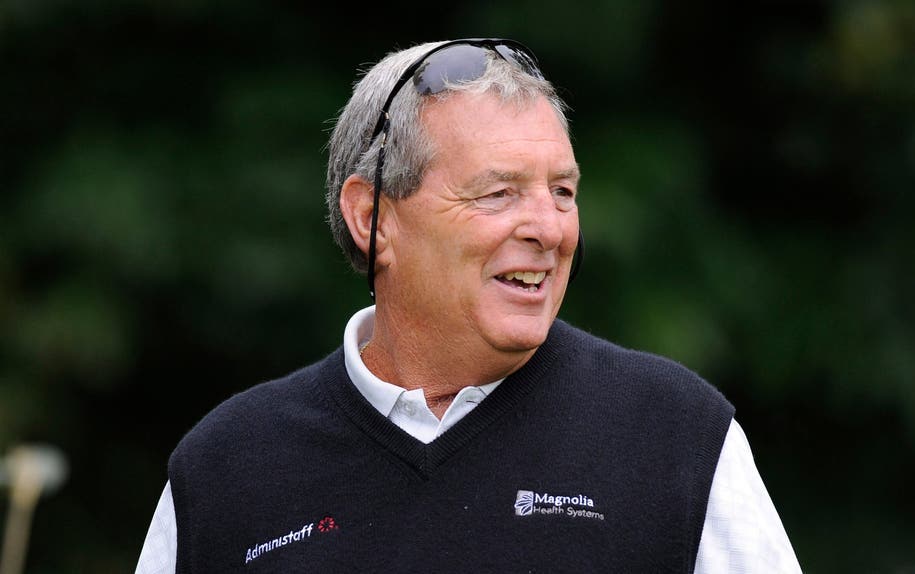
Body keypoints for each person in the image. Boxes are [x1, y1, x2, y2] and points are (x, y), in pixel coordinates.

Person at [136, 38, 801, 573]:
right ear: (375, 219)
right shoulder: (225, 471)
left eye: (563, 192)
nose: (551, 228)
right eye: (499, 193)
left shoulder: (678, 435)